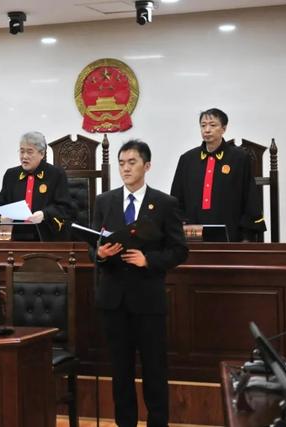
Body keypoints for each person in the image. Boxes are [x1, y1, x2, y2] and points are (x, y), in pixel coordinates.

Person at [90, 140, 188, 427]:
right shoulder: (104, 201)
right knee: (120, 372)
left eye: (132, 162)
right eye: (121, 163)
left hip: (148, 300)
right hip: (113, 300)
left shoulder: (165, 203)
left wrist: (149, 260)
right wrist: (99, 254)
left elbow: (179, 250)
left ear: (147, 166)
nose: (125, 168)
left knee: (154, 370)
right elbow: (92, 244)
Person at [170, 108, 266, 241]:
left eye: (212, 125)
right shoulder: (187, 159)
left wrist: (247, 236)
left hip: (231, 233)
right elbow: (176, 198)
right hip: (193, 234)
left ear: (224, 128)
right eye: (203, 125)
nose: (207, 130)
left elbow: (249, 196)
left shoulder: (239, 158)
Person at [0, 131, 76, 241]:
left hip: (47, 237)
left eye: (29, 152)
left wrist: (44, 214)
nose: (24, 156)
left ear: (42, 154)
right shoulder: (11, 175)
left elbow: (66, 208)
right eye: (22, 151)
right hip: (16, 238)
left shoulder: (56, 174)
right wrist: (2, 218)